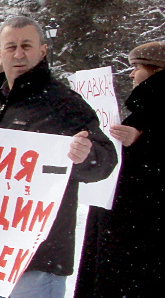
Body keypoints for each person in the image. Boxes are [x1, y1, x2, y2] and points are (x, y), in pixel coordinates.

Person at [0, 16, 117, 298]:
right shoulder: (0, 101)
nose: (18, 54)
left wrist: (86, 156)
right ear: (1, 53)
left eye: (26, 45)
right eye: (11, 46)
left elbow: (105, 161)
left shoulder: (63, 102)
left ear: (42, 51)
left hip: (39, 258)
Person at [74, 41, 164, 298]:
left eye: (136, 66)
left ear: (156, 70)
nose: (132, 73)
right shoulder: (144, 109)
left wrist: (142, 141)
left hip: (138, 232)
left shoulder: (150, 111)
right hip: (128, 226)